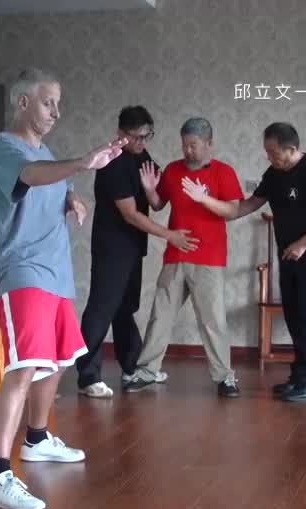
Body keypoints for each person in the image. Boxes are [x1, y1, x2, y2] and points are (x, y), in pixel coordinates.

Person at [0, 67, 127, 509]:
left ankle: (37, 438)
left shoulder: (46, 152)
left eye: (58, 104)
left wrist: (73, 198)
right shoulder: (5, 147)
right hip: (21, 272)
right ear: (23, 102)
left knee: (59, 361)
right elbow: (30, 176)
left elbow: (52, 183)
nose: (56, 112)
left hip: (56, 275)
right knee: (24, 367)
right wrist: (83, 163)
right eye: (49, 103)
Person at [181, 122, 306, 402]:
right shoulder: (274, 173)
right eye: (267, 152)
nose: (269, 157)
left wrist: (304, 243)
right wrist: (206, 200)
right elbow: (245, 206)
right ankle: (299, 376)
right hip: (288, 253)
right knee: (294, 316)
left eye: (273, 152)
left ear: (292, 149)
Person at [75, 106, 196, 398]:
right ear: (121, 133)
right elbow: (130, 214)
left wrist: (153, 190)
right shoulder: (112, 162)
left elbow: (157, 202)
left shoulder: (142, 157)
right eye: (136, 136)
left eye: (147, 136)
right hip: (111, 246)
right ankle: (88, 376)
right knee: (102, 307)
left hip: (133, 246)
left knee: (125, 307)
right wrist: (170, 235)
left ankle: (132, 367)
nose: (142, 142)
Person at [123, 117, 242, 398]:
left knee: (213, 321)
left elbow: (233, 211)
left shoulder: (223, 172)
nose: (188, 151)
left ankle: (225, 378)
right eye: (184, 145)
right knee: (160, 316)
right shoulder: (173, 170)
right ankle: (146, 372)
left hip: (209, 259)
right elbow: (158, 204)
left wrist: (204, 199)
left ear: (209, 144)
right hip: (175, 255)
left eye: (193, 145)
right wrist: (150, 189)